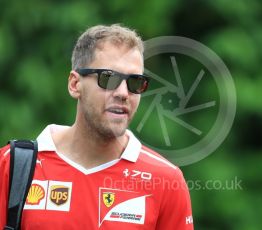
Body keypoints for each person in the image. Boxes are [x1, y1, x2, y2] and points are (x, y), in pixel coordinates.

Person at [0, 24, 194, 229]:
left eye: (135, 82)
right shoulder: (12, 165)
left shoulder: (165, 179)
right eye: (109, 78)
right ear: (75, 84)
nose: (123, 93)